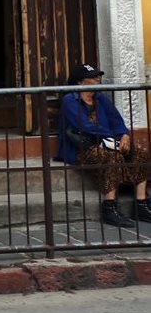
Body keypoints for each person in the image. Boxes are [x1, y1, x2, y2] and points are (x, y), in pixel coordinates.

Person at [56, 62, 151, 228]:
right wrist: (111, 137)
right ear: (80, 82)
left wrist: (124, 136)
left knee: (141, 154)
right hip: (84, 147)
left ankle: (141, 204)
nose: (98, 79)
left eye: (98, 76)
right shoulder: (70, 100)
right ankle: (109, 208)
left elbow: (116, 120)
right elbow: (84, 126)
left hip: (109, 142)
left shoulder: (100, 98)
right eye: (93, 77)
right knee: (112, 158)